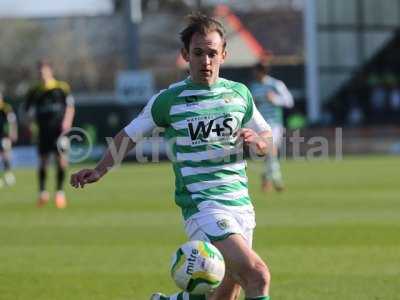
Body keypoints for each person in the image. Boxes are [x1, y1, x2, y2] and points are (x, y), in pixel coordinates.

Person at [71, 13, 272, 300]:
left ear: (224, 55)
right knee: (258, 275)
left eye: (212, 53)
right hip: (203, 207)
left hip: (240, 205)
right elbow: (129, 135)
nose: (205, 61)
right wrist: (100, 169)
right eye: (198, 53)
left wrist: (259, 144)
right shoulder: (169, 100)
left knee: (225, 293)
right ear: (185, 55)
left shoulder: (239, 94)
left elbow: (267, 137)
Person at [25, 60, 75, 208]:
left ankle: (60, 193)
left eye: (44, 71)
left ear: (50, 71)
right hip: (43, 131)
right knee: (43, 162)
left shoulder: (62, 88)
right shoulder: (34, 91)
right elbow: (27, 112)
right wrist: (30, 125)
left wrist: (67, 122)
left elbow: (70, 107)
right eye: (40, 72)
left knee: (62, 161)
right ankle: (42, 193)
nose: (42, 74)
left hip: (60, 132)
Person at [250, 63, 294, 192]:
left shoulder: (275, 84)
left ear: (262, 72)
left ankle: (270, 177)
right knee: (270, 151)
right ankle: (275, 179)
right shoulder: (253, 87)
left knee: (271, 151)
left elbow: (289, 101)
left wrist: (274, 99)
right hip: (261, 125)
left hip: (275, 124)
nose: (255, 74)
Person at [0, 92, 18, 187]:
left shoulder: (6, 108)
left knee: (6, 155)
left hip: (4, 136)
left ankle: (8, 174)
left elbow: (12, 121)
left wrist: (13, 133)